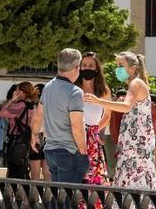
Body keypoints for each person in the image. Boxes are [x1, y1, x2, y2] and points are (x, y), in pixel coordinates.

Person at [85, 52, 156, 191]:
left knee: (133, 178)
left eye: (121, 65)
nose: (117, 69)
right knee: (132, 176)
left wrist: (99, 101)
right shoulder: (135, 84)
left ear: (132, 68)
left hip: (137, 144)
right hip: (134, 142)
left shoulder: (136, 84)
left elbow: (126, 106)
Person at [31, 49, 88, 183]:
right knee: (69, 194)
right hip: (69, 151)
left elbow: (38, 115)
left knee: (58, 193)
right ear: (77, 67)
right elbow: (77, 126)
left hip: (50, 150)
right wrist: (83, 153)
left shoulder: (48, 87)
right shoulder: (75, 92)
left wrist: (34, 135)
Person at [76, 52, 111, 187]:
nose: (87, 68)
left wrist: (94, 130)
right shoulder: (74, 89)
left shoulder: (104, 91)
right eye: (84, 65)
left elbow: (107, 115)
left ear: (97, 69)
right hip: (75, 138)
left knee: (93, 178)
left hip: (93, 141)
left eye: (91, 65)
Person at [0, 81, 39, 179]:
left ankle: (16, 187)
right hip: (25, 140)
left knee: (14, 168)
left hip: (16, 139)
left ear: (22, 92)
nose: (15, 92)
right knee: (22, 167)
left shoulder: (20, 105)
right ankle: (24, 187)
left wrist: (11, 100)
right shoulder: (32, 106)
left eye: (17, 90)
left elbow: (1, 113)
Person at [30, 82, 50, 181]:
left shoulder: (32, 107)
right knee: (47, 172)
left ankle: (35, 191)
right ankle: (49, 191)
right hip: (47, 139)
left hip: (37, 139)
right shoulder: (49, 107)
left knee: (36, 172)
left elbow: (31, 124)